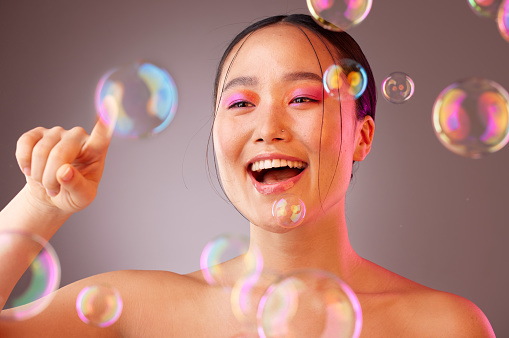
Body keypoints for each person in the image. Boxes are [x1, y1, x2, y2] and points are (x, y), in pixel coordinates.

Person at [0, 14, 495, 337]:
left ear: (362, 136)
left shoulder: (444, 326)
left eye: (302, 98)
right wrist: (41, 205)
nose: (268, 129)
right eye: (240, 103)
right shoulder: (136, 310)